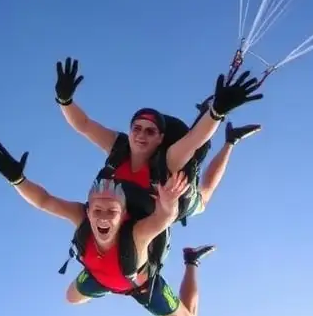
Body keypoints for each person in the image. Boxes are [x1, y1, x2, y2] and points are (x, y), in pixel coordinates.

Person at [0, 140, 215, 316]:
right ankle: (109, 282)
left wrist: (169, 202)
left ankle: (191, 260)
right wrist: (17, 180)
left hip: (139, 287)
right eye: (97, 211)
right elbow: (45, 201)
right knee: (71, 298)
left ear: (123, 215)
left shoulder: (137, 235)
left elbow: (163, 219)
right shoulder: (82, 218)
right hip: (99, 276)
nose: (102, 217)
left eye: (111, 211)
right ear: (88, 211)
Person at [53, 57, 264, 221]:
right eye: (136, 129)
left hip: (177, 201)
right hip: (133, 213)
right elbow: (84, 125)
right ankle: (229, 136)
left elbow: (195, 139)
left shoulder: (168, 160)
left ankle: (230, 141)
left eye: (149, 131)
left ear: (160, 139)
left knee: (204, 198)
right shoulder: (119, 147)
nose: (141, 135)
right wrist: (65, 100)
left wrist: (217, 111)